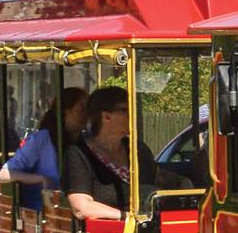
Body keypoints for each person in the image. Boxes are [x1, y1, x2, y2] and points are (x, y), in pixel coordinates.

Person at [63, 86, 168, 222]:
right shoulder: (78, 154)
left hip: (151, 228)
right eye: (125, 110)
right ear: (106, 116)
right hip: (107, 232)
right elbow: (81, 207)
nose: (132, 115)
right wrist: (128, 218)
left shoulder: (138, 150)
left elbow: (156, 184)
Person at [0, 86, 88, 210]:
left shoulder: (86, 141)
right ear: (65, 111)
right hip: (43, 211)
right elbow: (4, 174)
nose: (86, 115)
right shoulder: (42, 139)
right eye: (81, 110)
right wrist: (41, 179)